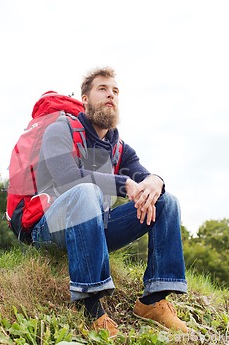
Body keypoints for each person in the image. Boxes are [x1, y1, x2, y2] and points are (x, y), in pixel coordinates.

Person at [32, 67, 188, 337]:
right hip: (50, 227)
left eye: (115, 91)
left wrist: (155, 181)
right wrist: (121, 183)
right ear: (85, 99)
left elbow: (141, 177)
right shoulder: (61, 130)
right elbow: (67, 177)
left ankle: (153, 301)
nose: (110, 95)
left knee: (166, 202)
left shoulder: (120, 148)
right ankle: (90, 305)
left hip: (95, 229)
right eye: (102, 89)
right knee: (85, 192)